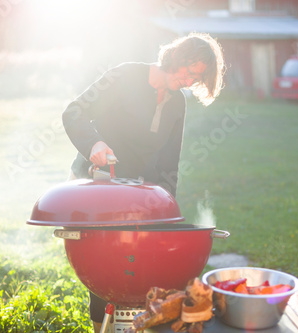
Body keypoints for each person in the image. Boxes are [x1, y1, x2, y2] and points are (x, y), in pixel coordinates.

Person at [61, 32, 225, 332]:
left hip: (138, 197)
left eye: (197, 79)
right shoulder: (125, 75)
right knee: (104, 268)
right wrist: (93, 144)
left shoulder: (178, 103)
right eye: (190, 72)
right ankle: (103, 330)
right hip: (97, 186)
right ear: (175, 57)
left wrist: (166, 211)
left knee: (139, 269)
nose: (189, 81)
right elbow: (74, 112)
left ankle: (134, 326)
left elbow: (168, 163)